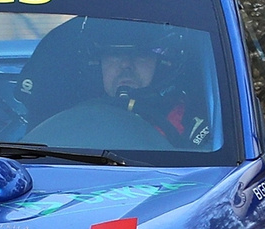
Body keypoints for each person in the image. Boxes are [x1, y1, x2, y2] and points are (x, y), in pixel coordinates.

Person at [87, 20, 208, 148]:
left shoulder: (197, 124)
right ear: (97, 65)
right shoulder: (75, 119)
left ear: (163, 64)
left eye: (141, 54)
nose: (126, 64)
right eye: (114, 54)